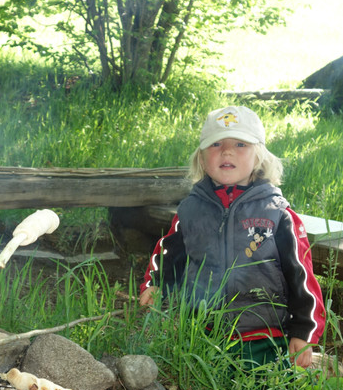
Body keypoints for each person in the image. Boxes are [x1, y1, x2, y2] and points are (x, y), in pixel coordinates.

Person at [139, 105, 325, 369]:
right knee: (192, 377)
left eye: (240, 144)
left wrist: (304, 331)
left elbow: (301, 276)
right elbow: (169, 255)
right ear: (201, 158)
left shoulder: (277, 214)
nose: (226, 151)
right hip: (200, 330)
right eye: (215, 144)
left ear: (259, 156)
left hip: (262, 334)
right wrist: (156, 284)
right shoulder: (190, 210)